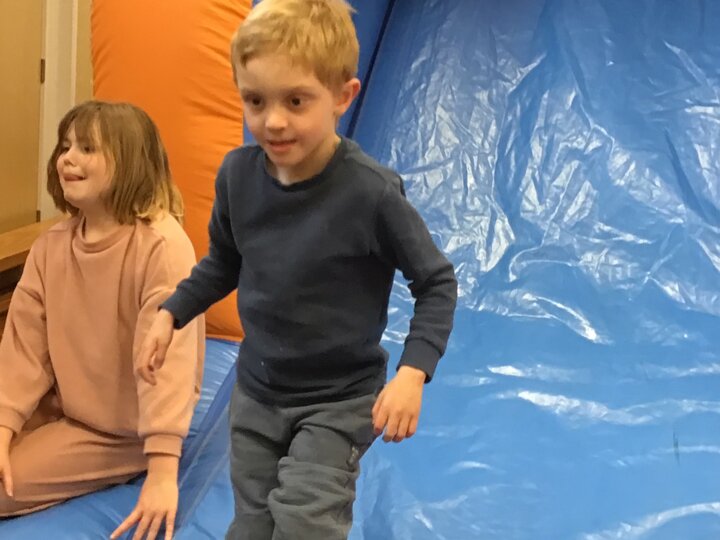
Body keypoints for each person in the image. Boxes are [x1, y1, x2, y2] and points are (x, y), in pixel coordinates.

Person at [138, 1, 457, 538]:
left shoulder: (370, 193)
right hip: (257, 393)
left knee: (305, 525)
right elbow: (224, 261)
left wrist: (412, 372)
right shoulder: (238, 176)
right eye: (255, 100)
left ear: (342, 97)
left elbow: (436, 283)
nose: (273, 120)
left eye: (295, 100)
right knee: (253, 526)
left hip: (338, 401)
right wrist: (172, 313)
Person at [0, 100, 205, 540]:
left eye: (88, 148)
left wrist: (163, 469)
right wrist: (3, 424)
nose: (68, 158)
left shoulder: (161, 246)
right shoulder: (51, 246)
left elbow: (167, 364)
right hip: (64, 402)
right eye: (66, 146)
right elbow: (23, 349)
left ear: (129, 160)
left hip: (121, 432)